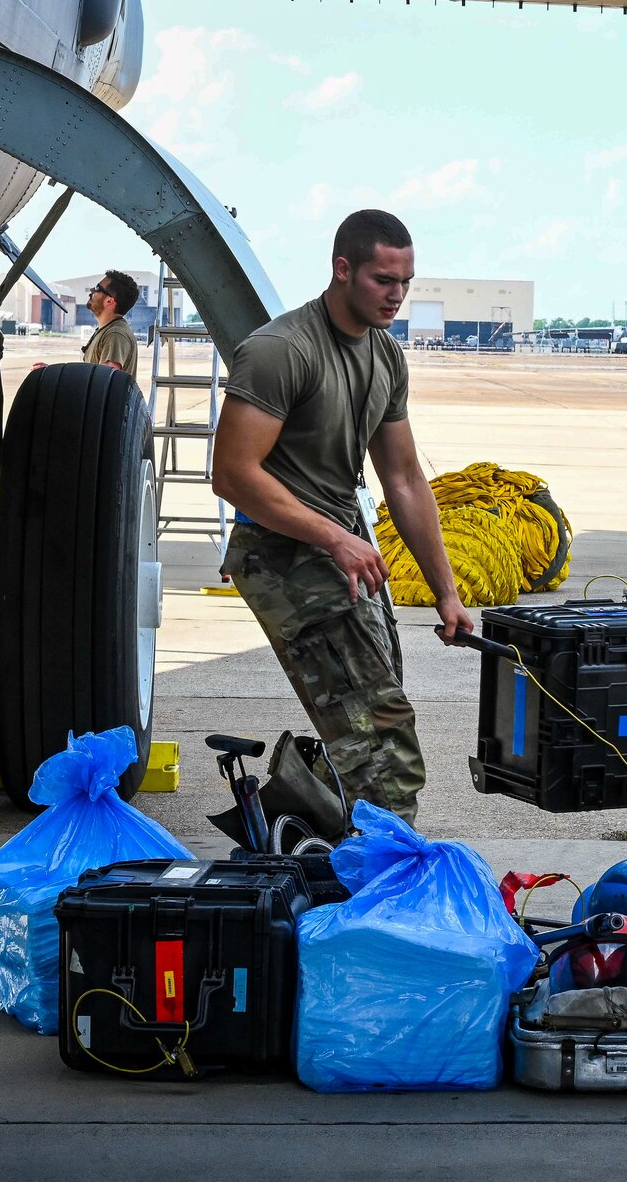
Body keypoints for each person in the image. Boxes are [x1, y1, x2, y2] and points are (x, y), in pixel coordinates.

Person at [210, 209, 470, 824]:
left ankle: (332, 834)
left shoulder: (385, 355)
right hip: (280, 550)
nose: (397, 295)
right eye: (384, 279)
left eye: (406, 281)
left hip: (341, 541)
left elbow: (404, 479)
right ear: (342, 270)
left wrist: (446, 593)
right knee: (379, 735)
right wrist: (334, 537)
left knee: (374, 711)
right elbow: (234, 475)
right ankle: (386, 878)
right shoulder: (280, 351)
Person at [83, 270, 142, 377]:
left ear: (109, 301)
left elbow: (103, 381)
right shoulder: (106, 331)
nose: (91, 291)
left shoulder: (115, 335)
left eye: (97, 289)